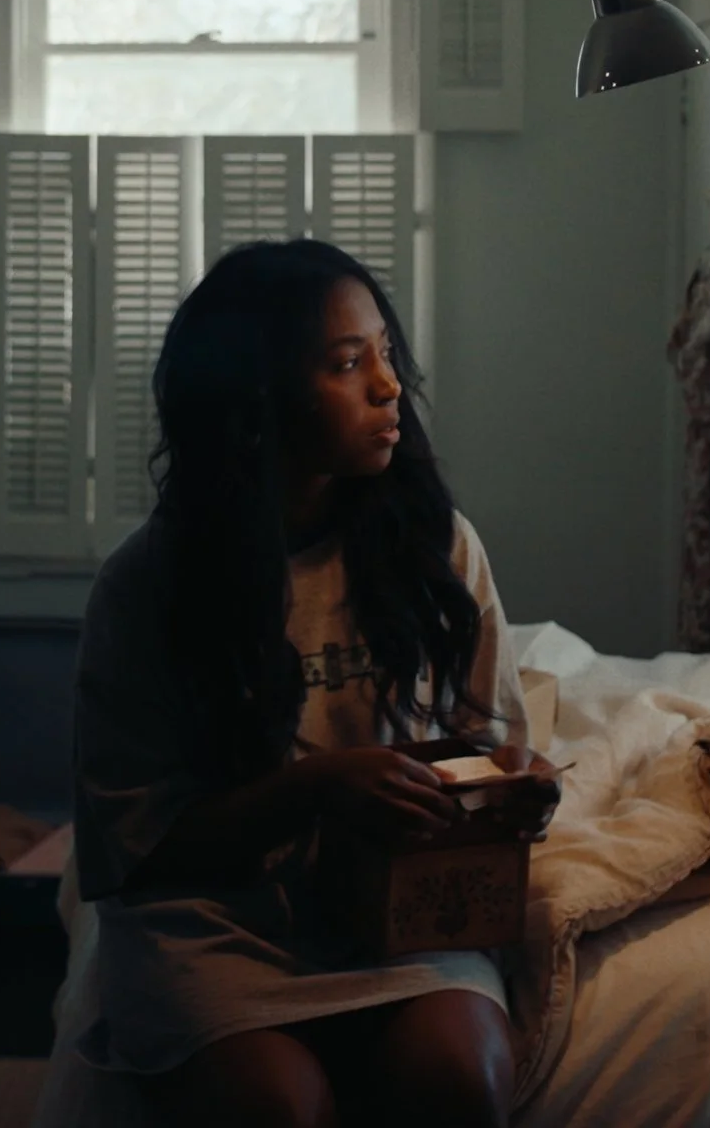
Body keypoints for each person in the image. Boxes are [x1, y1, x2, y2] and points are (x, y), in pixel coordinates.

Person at [70, 239, 558, 1128]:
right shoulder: (148, 584)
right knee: (278, 1105)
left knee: (462, 1074)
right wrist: (312, 791)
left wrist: (512, 788)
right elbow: (133, 847)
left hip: (396, 914)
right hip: (215, 927)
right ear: (258, 399)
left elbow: (487, 742)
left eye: (385, 353)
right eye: (346, 363)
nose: (390, 385)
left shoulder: (436, 547)